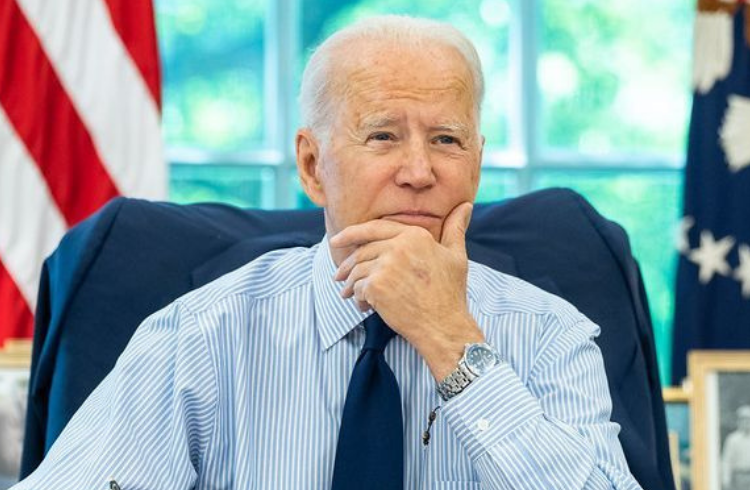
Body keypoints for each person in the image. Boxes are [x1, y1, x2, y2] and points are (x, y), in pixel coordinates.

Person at [13, 15, 642, 489]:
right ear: (313, 166)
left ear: (476, 164)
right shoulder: (204, 335)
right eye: (383, 136)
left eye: (446, 140)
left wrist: (452, 341)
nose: (418, 171)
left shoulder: (550, 335)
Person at [722, 405, 750, 490]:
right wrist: (726, 480)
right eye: (743, 420)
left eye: (748, 420)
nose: (746, 423)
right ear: (739, 422)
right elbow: (727, 461)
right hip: (739, 476)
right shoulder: (733, 439)